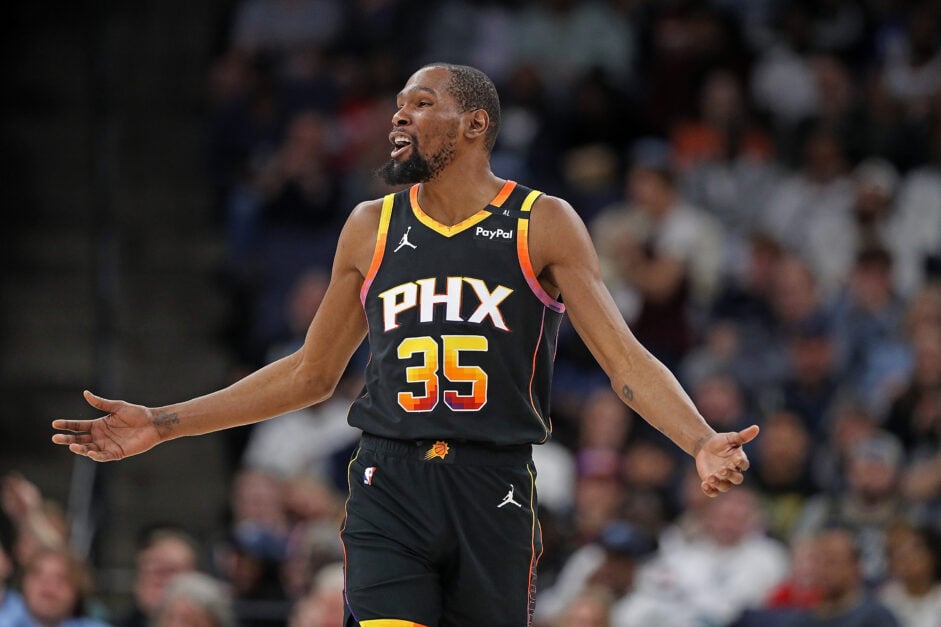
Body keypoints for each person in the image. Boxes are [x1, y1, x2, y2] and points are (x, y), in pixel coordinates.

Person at [52, 63, 759, 626]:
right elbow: (309, 373)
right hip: (388, 479)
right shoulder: (369, 225)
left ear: (474, 123)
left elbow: (624, 360)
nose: (399, 115)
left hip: (494, 483)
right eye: (397, 104)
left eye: (420, 103)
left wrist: (697, 439)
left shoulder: (540, 221)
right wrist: (163, 422)